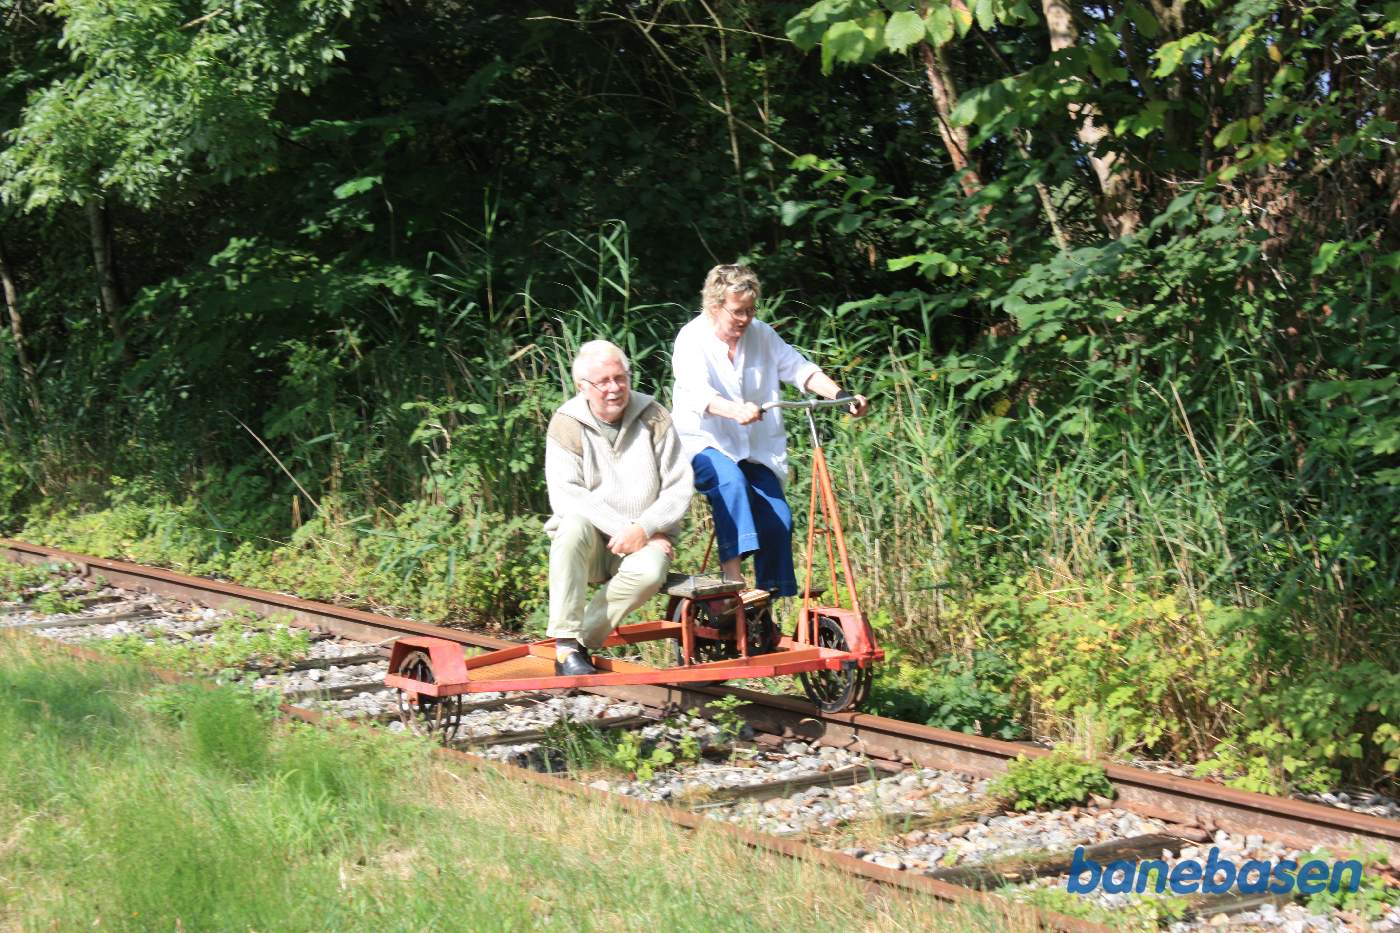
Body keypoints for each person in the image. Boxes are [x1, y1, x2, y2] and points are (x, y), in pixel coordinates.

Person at [670, 264, 868, 599]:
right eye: (738, 312)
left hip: (753, 449)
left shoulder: (761, 334)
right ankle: (733, 585)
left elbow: (799, 368)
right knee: (730, 483)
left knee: (779, 518)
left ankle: (763, 603)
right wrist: (735, 410)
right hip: (703, 444)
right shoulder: (692, 339)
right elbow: (698, 393)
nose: (745, 319)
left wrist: (840, 395)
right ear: (715, 306)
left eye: (750, 310)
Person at [544, 339, 693, 676]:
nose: (614, 388)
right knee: (570, 527)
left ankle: (577, 643)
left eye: (620, 378)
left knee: (651, 571)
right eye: (603, 382)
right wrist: (630, 529)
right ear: (582, 387)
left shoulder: (654, 416)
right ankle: (565, 643)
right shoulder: (566, 423)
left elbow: (679, 486)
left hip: (643, 536)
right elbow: (566, 494)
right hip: (593, 542)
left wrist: (645, 527)